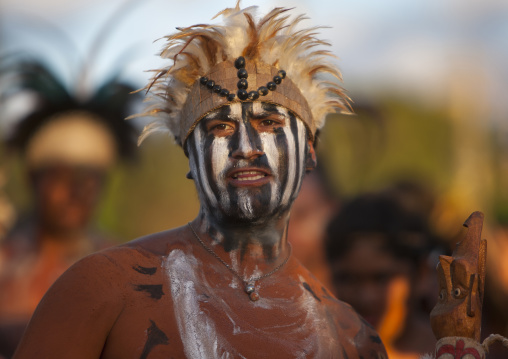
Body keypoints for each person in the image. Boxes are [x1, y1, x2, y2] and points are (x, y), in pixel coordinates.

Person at [14, 3, 387, 358]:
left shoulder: (351, 337)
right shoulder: (101, 288)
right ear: (189, 157)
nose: (246, 147)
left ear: (309, 152)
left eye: (269, 123)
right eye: (220, 127)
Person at [0, 59, 137, 357]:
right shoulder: (4, 262)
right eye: (60, 177)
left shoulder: (123, 271)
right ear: (32, 179)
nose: (76, 192)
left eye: (89, 180)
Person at [325, 192, 437, 359]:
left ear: (421, 274)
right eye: (347, 279)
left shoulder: (458, 352)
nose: (365, 297)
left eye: (382, 278)